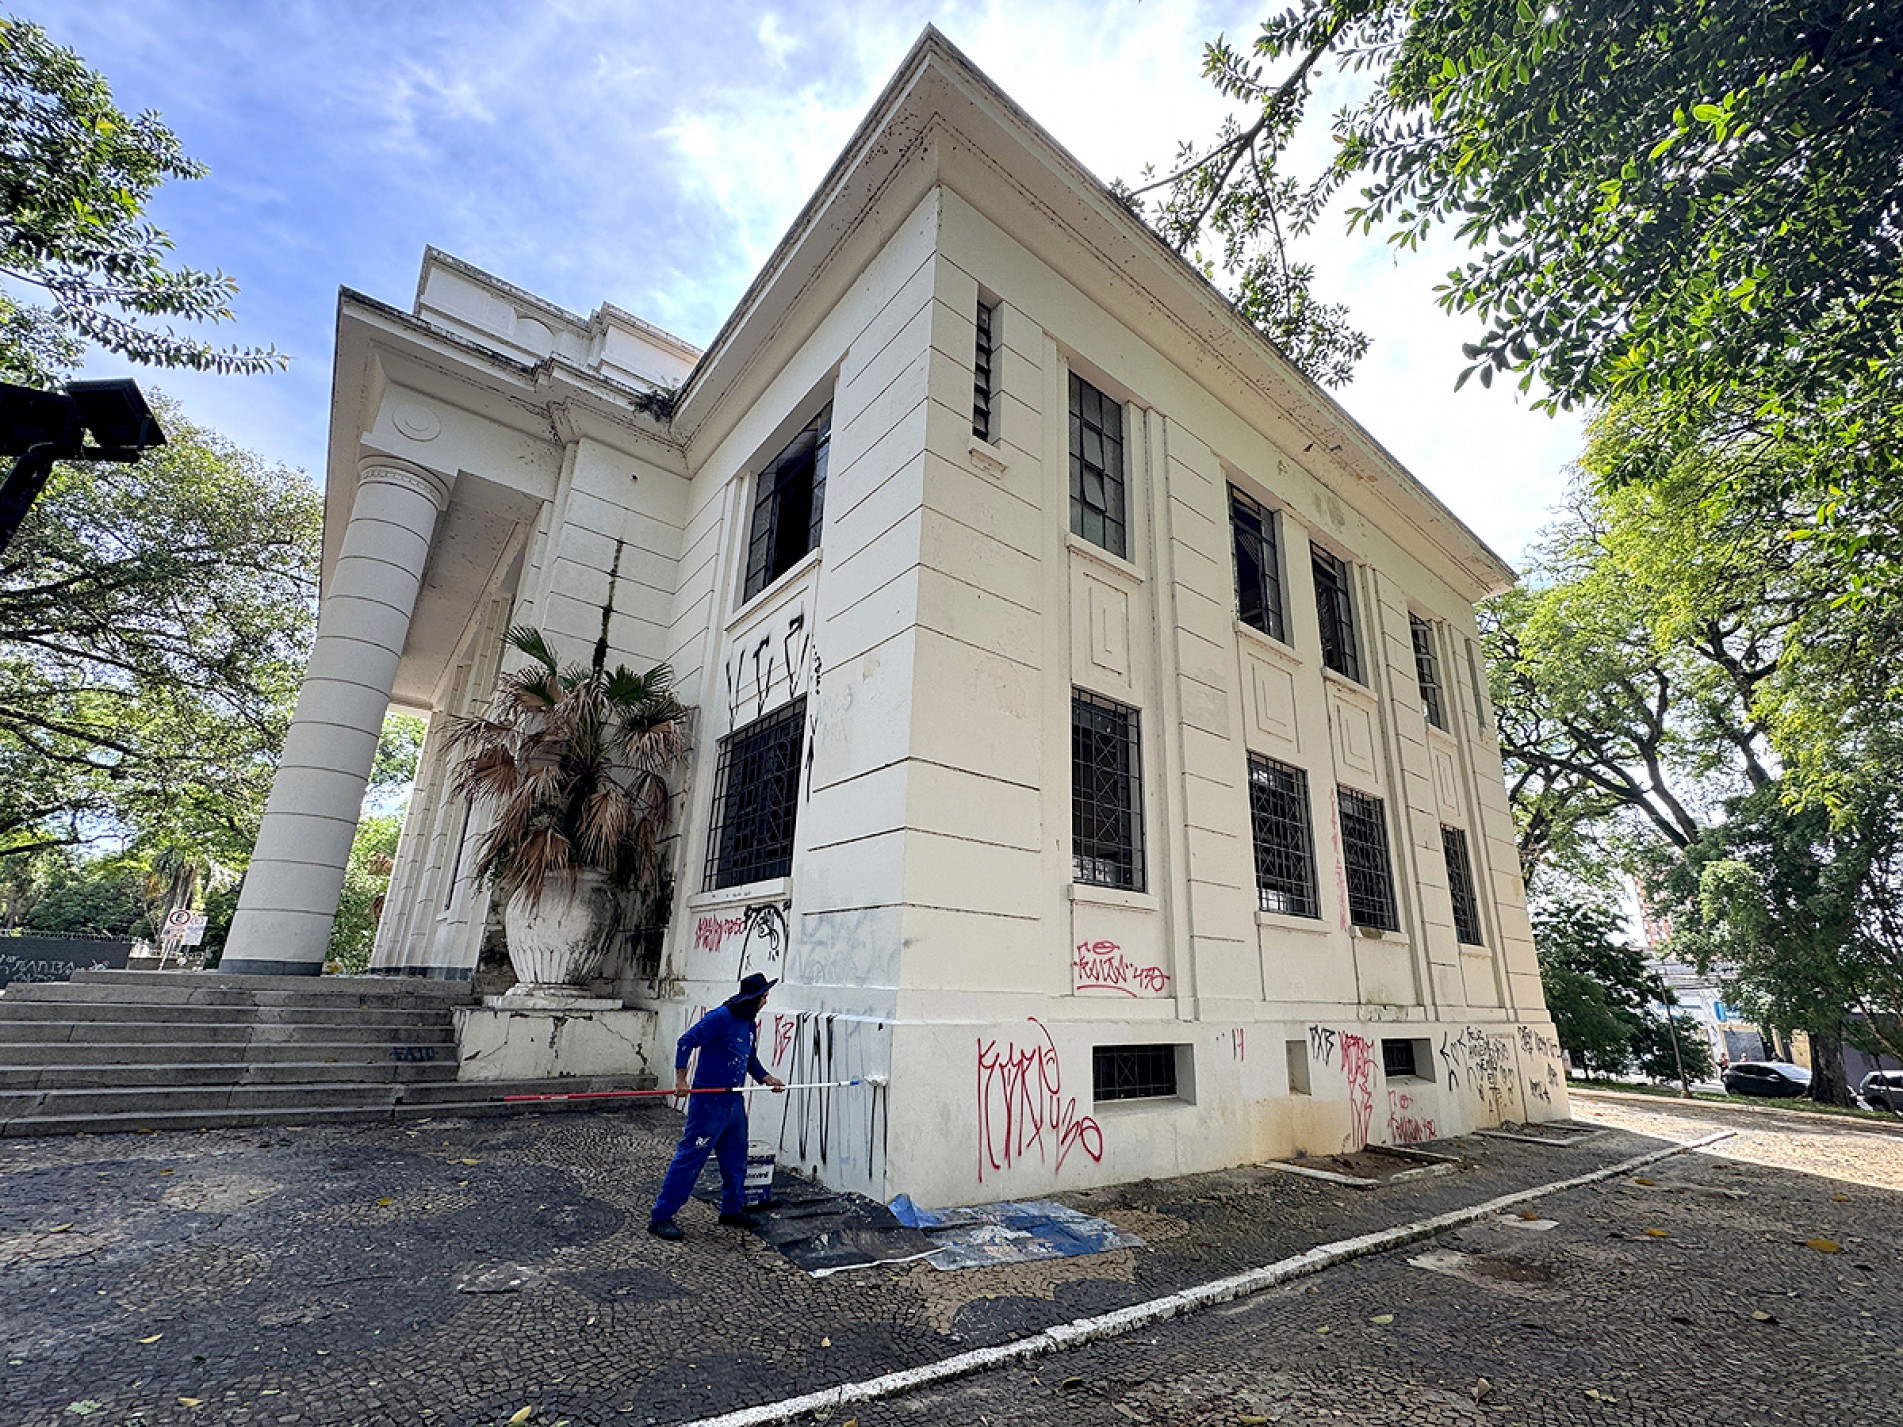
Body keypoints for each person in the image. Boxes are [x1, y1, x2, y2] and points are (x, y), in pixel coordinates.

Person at [648, 972, 785, 1241]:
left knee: (736, 1158)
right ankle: (661, 1216)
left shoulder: (749, 1024)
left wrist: (765, 1077)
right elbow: (686, 1041)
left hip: (733, 1101)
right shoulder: (719, 1017)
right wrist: (681, 1078)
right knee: (690, 1159)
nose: (766, 1002)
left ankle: (731, 1210)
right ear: (753, 998)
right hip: (708, 1103)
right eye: (764, 997)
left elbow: (749, 1059)